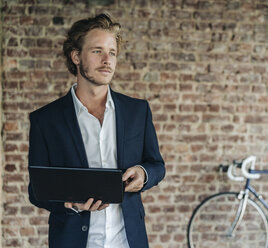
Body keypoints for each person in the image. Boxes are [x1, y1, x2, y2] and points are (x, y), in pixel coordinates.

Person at [28, 13, 165, 248]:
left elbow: (157, 165)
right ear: (76, 56)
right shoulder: (46, 120)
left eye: (112, 52)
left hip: (128, 241)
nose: (107, 60)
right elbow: (36, 190)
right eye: (97, 51)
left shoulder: (137, 111)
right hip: (72, 241)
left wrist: (143, 173)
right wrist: (69, 203)